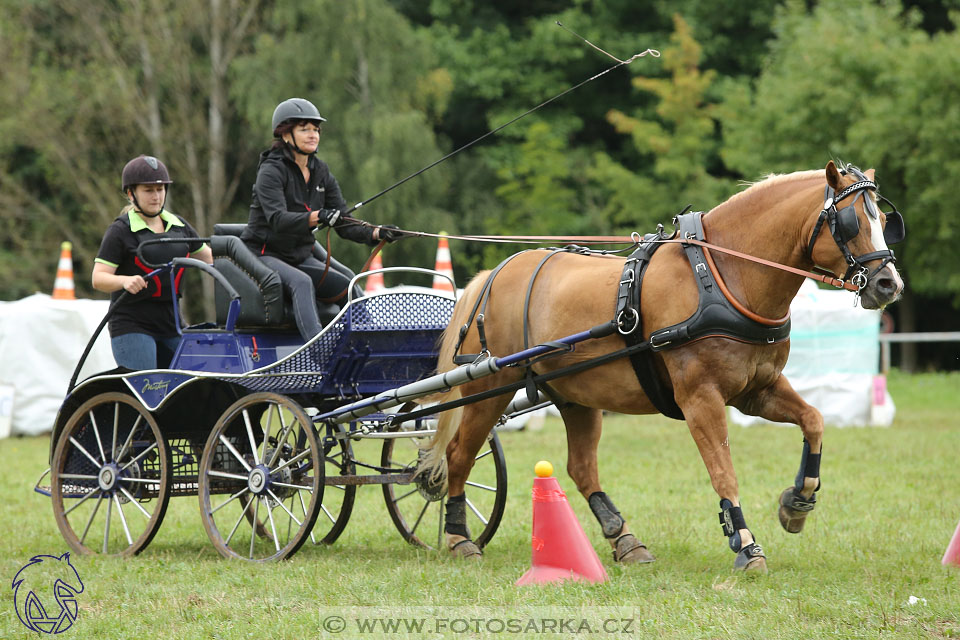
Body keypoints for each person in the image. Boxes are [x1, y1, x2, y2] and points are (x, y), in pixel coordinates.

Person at [241, 97, 400, 343]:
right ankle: (318, 352)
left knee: (348, 284)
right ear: (285, 134)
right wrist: (318, 216)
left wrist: (377, 233)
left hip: (299, 255)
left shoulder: (321, 171)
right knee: (302, 282)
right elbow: (278, 220)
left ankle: (370, 347)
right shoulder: (271, 171)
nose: (313, 135)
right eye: (304, 129)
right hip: (263, 253)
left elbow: (344, 222)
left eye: (316, 130)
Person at [92, 155, 213, 370]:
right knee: (148, 390)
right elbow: (98, 278)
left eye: (160, 189)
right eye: (148, 190)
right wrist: (124, 281)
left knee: (197, 385)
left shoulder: (180, 227)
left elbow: (211, 259)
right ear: (131, 194)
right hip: (132, 326)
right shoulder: (120, 231)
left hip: (172, 325)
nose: (156, 196)